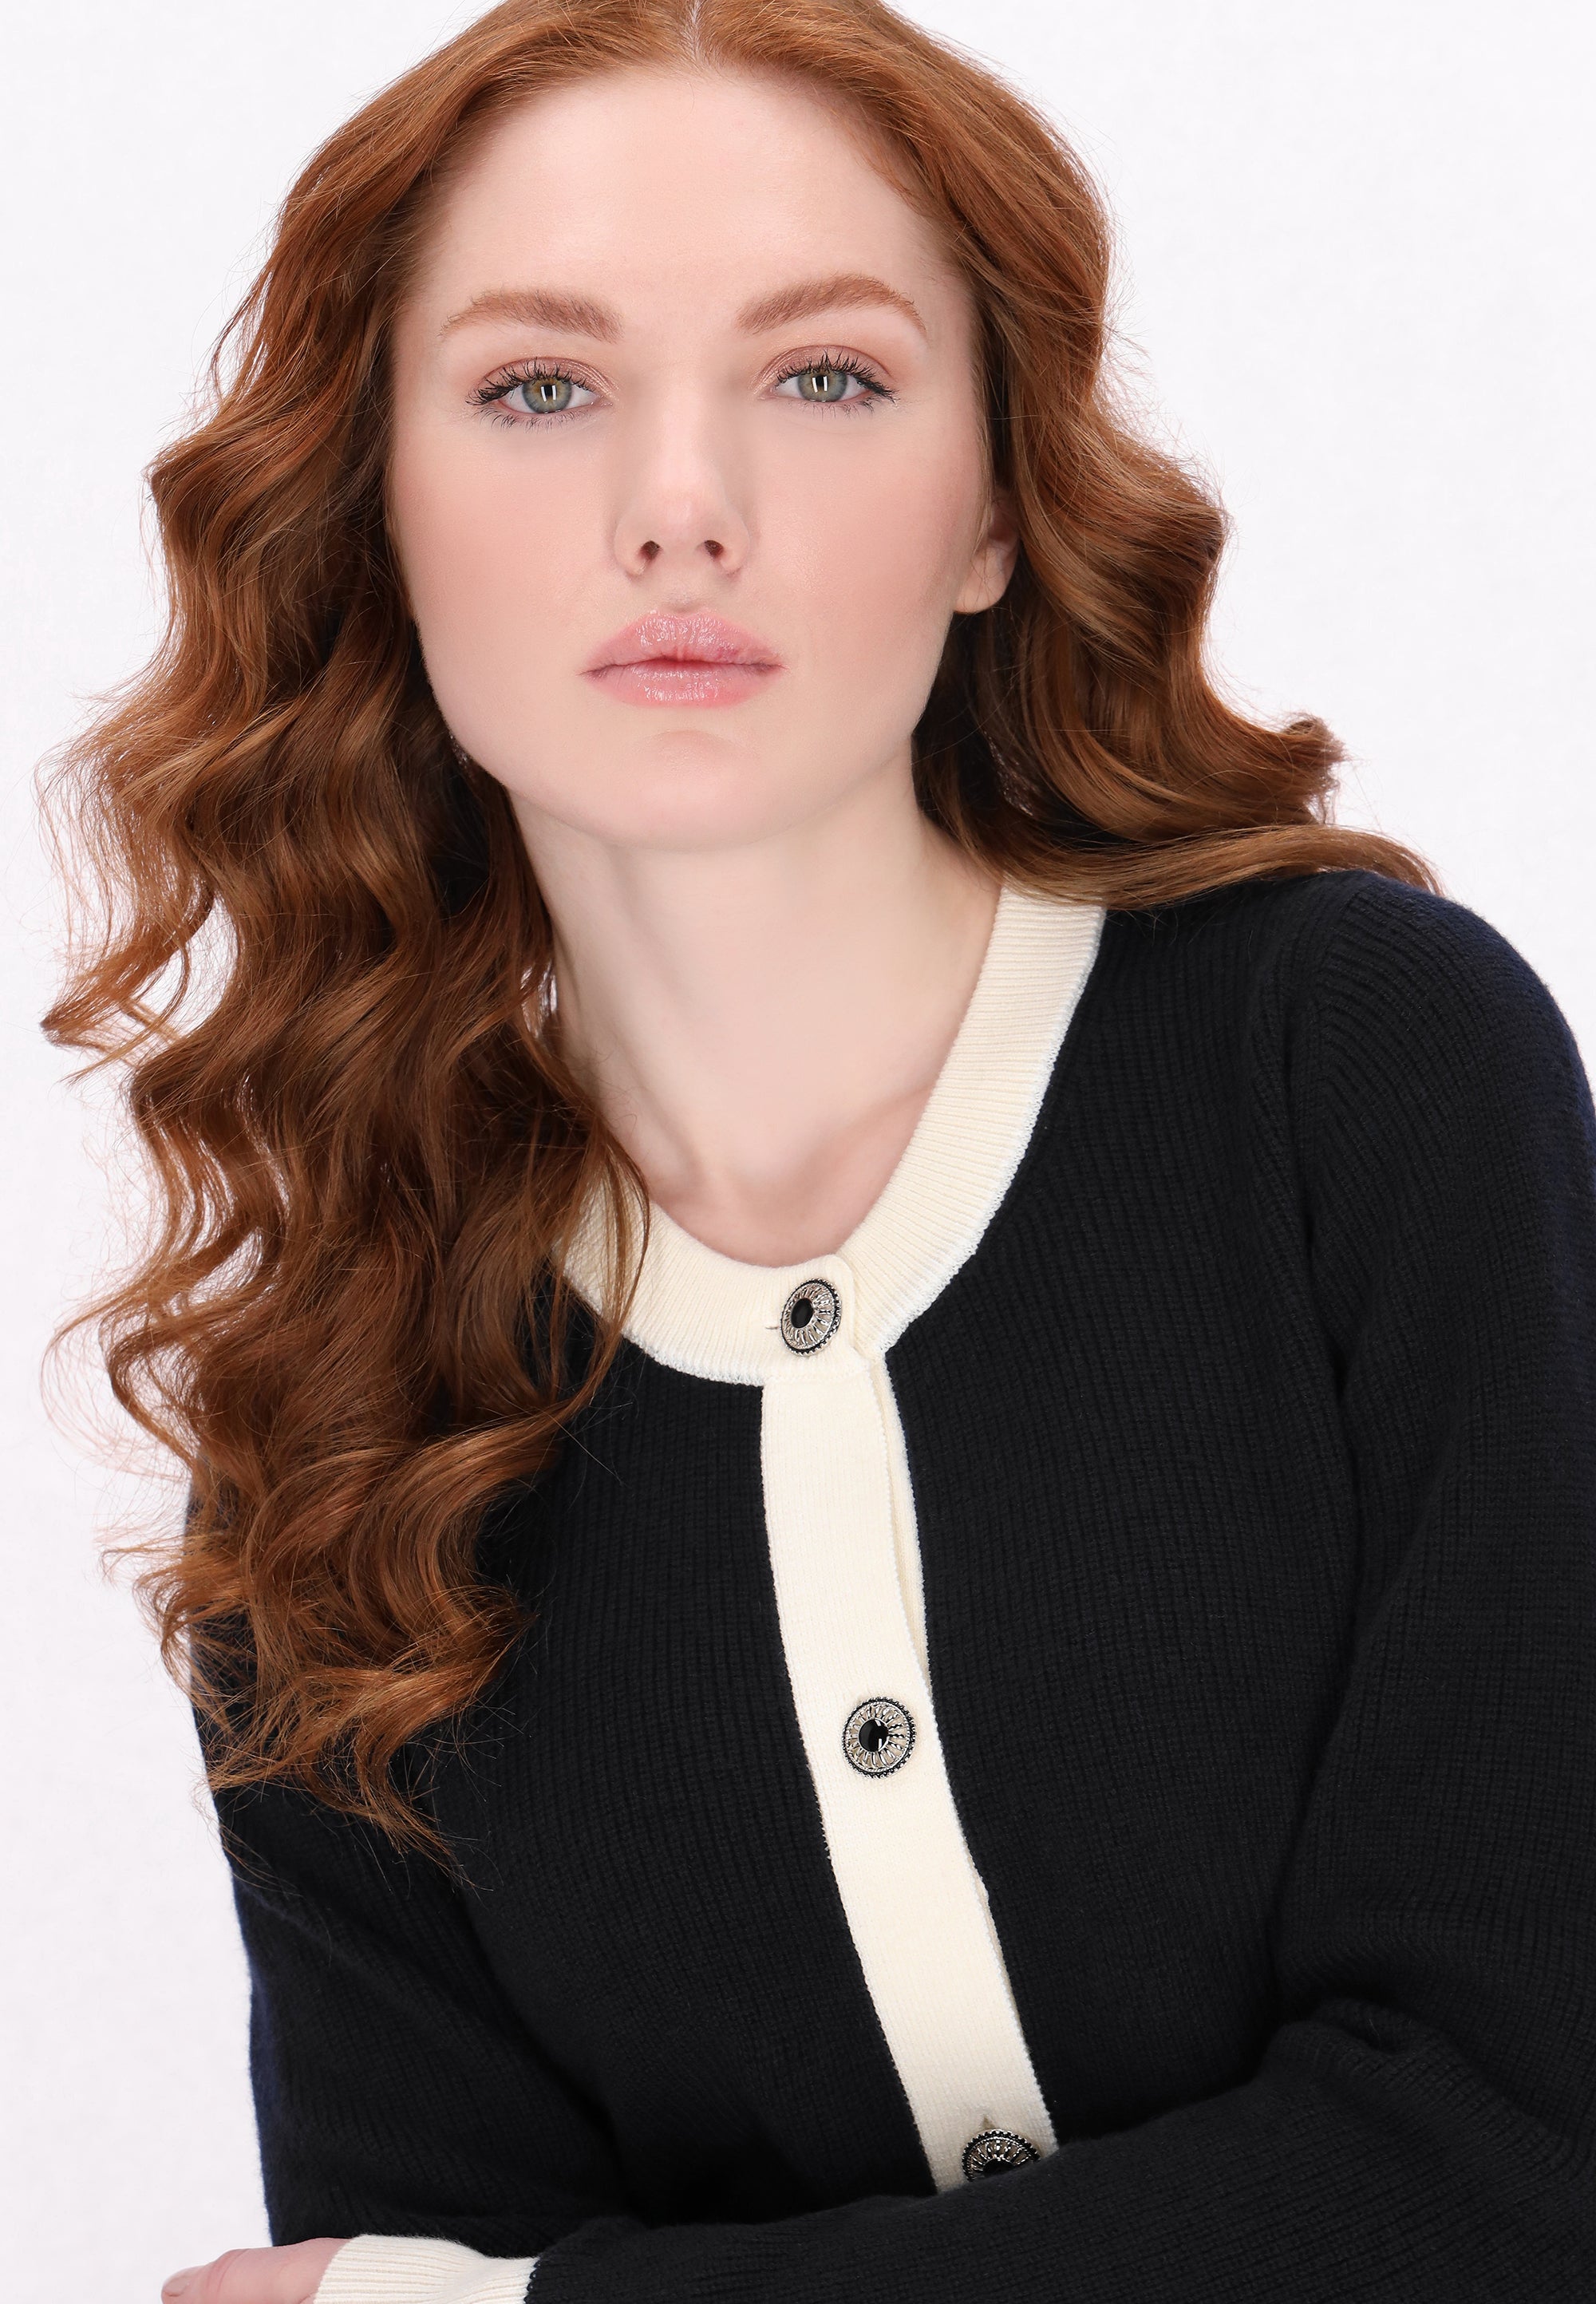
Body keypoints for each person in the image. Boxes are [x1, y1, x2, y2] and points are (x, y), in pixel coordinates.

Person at [41, 1, 1596, 2299]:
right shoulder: (337, 1433)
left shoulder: (1354, 1073)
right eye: (539, 388)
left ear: (996, 507)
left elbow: (1527, 2163)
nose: (682, 506)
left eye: (827, 376)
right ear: (375, 512)